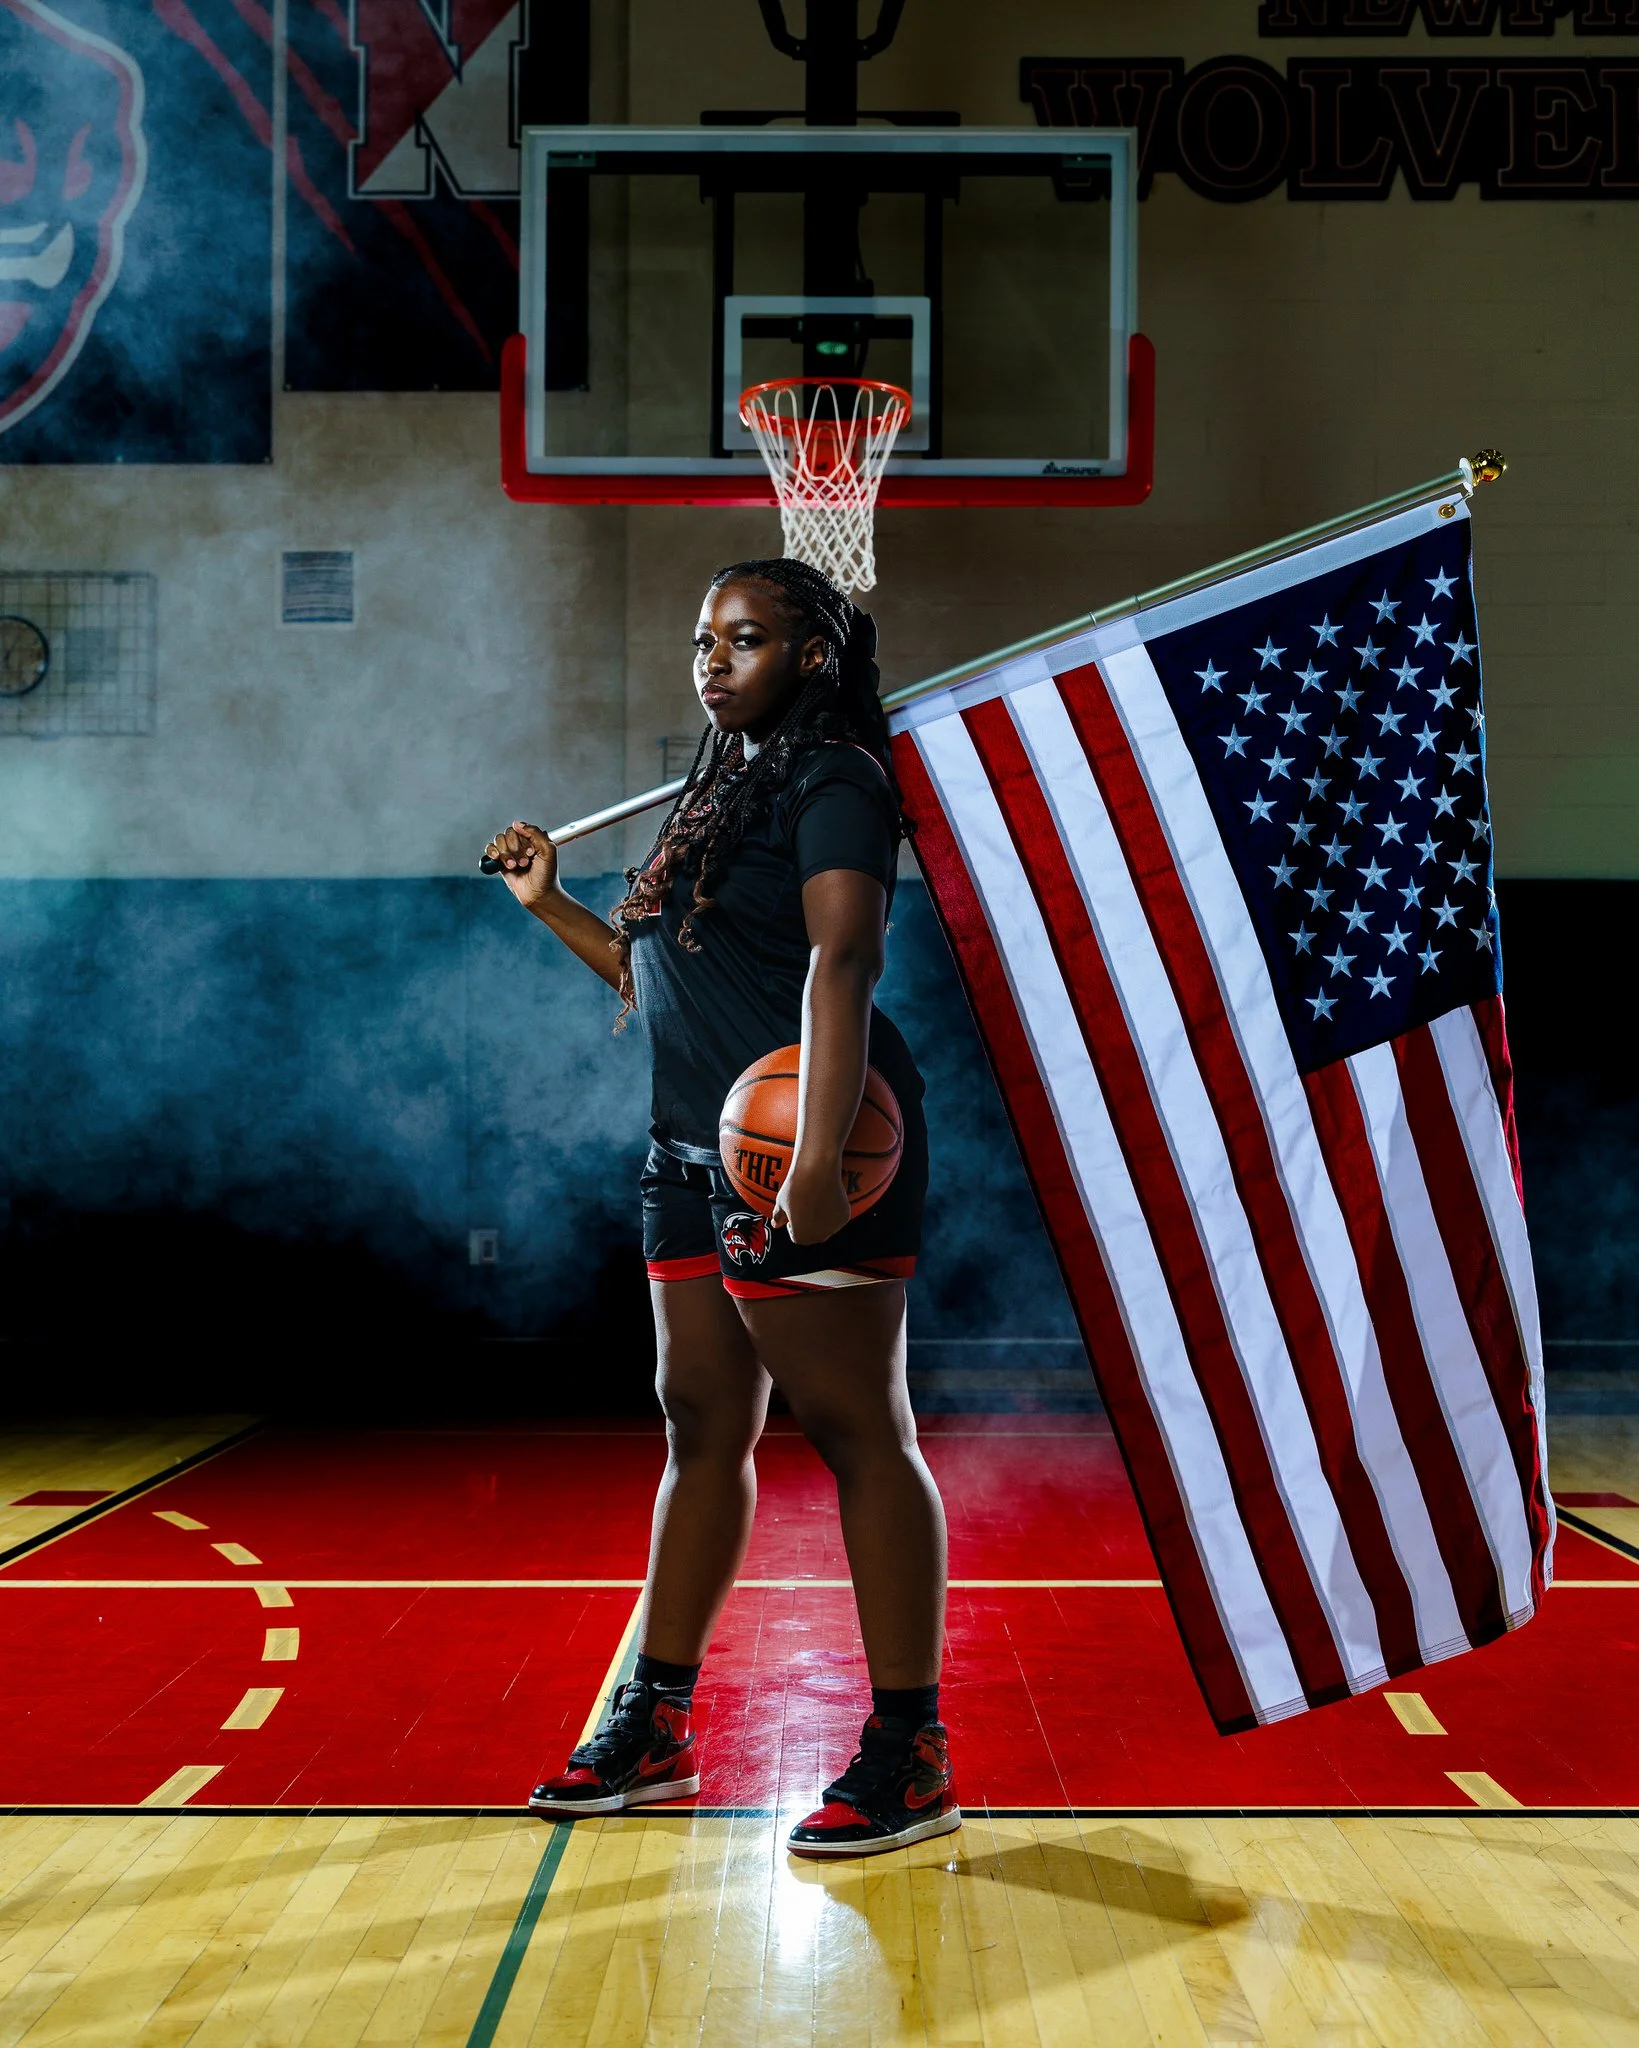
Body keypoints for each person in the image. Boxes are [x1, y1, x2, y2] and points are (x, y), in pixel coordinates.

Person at [483, 557, 957, 1857]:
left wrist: (815, 1156)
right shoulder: (717, 788)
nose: (713, 661)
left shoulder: (836, 779)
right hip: (690, 1153)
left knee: (860, 1429)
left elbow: (843, 959)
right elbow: (654, 984)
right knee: (701, 1425)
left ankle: (910, 1749)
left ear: (811, 657)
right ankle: (656, 1720)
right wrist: (550, 904)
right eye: (703, 640)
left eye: (744, 640)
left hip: (815, 1146)